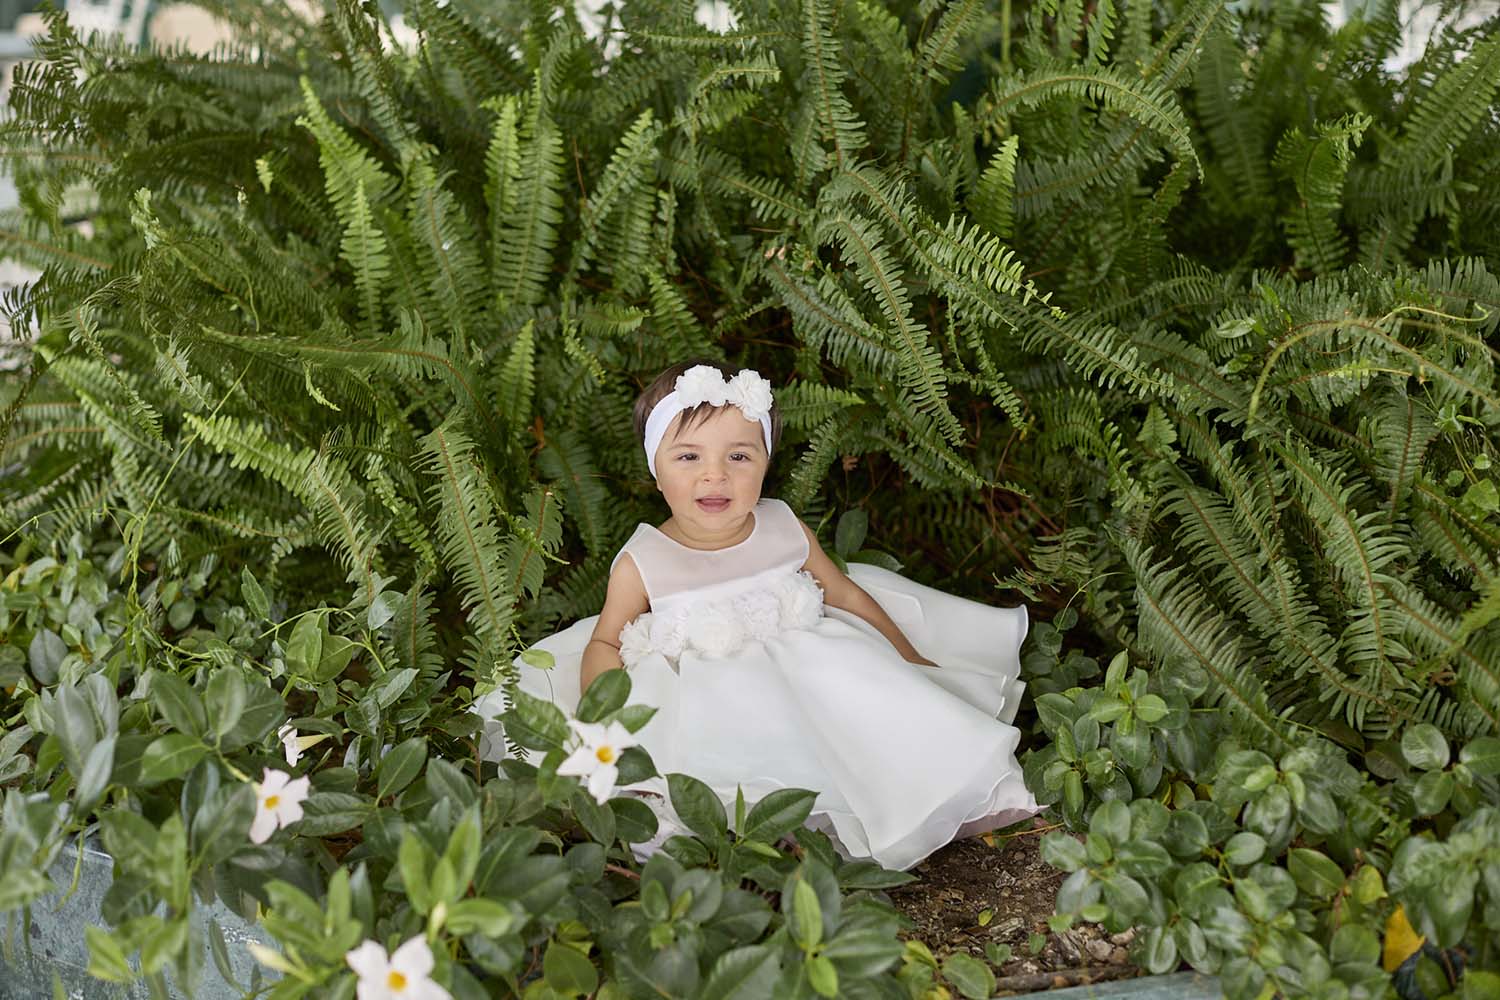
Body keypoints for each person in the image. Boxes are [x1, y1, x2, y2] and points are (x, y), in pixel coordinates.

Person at [483, 360, 1037, 871]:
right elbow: (605, 642)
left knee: (879, 719)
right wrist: (606, 721)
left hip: (811, 679)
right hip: (704, 699)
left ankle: (931, 796)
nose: (715, 476)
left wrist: (908, 657)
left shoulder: (782, 526)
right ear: (656, 471)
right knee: (717, 770)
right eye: (689, 457)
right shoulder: (644, 560)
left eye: (739, 456)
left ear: (766, 464)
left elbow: (843, 594)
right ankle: (752, 832)